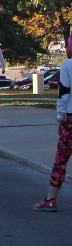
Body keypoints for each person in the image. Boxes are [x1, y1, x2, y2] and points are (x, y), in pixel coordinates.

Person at [35, 47, 72, 212]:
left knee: (61, 159)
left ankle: (51, 199)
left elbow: (64, 93)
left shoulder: (67, 65)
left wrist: (60, 117)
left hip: (71, 120)